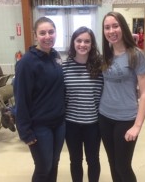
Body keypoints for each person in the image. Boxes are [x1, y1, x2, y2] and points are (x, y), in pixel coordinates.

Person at [99, 11, 145, 182]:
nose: (111, 30)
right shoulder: (105, 55)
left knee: (123, 166)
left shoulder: (136, 54)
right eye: (107, 27)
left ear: (123, 28)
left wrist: (137, 125)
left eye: (115, 26)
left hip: (126, 119)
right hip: (105, 116)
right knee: (113, 163)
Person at [13, 17, 65, 182]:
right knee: (43, 168)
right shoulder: (26, 63)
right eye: (42, 33)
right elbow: (21, 99)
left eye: (51, 32)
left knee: (54, 163)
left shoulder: (55, 56)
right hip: (39, 125)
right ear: (35, 35)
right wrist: (25, 131)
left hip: (58, 123)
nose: (47, 36)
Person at [62, 26, 103, 182]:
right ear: (73, 43)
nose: (82, 44)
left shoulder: (99, 67)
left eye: (87, 41)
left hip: (93, 124)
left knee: (93, 160)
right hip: (71, 124)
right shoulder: (65, 67)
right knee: (75, 160)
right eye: (79, 40)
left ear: (92, 44)